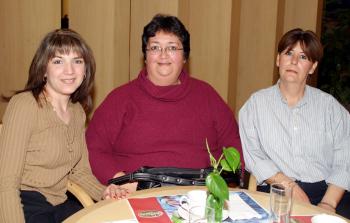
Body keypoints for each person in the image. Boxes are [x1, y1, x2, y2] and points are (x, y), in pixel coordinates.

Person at [86, 14, 243, 197]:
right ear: (145, 56)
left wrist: (221, 183)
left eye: (172, 48)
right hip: (136, 196)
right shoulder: (120, 99)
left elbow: (233, 145)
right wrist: (121, 180)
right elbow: (94, 148)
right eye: (155, 47)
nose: (163, 55)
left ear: (185, 56)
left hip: (201, 195)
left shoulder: (207, 95)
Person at [0, 29, 119, 223]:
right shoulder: (24, 105)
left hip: (60, 201)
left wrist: (105, 191)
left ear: (85, 69)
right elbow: (5, 182)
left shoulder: (77, 111)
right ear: (43, 69)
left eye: (77, 61)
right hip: (24, 202)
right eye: (58, 61)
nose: (69, 70)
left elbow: (79, 171)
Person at [239, 28, 350, 218]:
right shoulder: (255, 105)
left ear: (313, 67)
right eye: (288, 53)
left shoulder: (330, 107)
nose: (294, 61)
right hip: (277, 190)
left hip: (328, 191)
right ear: (278, 60)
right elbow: (254, 157)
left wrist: (328, 203)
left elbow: (344, 158)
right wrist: (289, 186)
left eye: (303, 57)